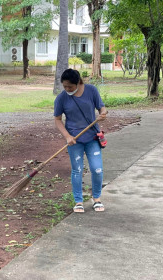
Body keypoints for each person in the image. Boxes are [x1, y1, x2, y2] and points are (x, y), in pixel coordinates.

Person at [54, 69, 107, 213]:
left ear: (78, 83)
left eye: (70, 87)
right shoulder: (61, 98)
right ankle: (78, 201)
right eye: (64, 86)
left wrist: (102, 113)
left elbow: (102, 108)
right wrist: (67, 136)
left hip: (92, 138)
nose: (67, 89)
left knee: (97, 169)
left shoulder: (91, 90)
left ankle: (96, 198)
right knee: (77, 170)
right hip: (74, 141)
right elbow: (58, 120)